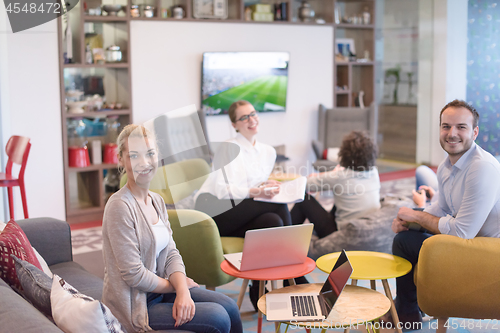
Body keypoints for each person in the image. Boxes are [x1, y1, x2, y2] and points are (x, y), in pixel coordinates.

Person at [102, 124, 242, 333]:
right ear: (121, 160)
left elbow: (170, 253)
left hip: (161, 291)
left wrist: (182, 289)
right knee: (218, 317)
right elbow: (134, 274)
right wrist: (178, 287)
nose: (144, 162)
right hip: (137, 305)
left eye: (150, 154)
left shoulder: (156, 201)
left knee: (230, 307)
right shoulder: (119, 206)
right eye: (134, 155)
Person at [386, 99, 500, 326]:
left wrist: (418, 216)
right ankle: (407, 311)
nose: (452, 133)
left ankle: (407, 312)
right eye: (446, 126)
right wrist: (409, 219)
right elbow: (442, 208)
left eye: (461, 127)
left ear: (475, 132)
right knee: (404, 238)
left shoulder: (481, 168)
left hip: (489, 253)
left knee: (408, 241)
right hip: (470, 241)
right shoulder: (446, 166)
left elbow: (462, 232)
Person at [194, 100, 300, 310]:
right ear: (235, 125)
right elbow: (224, 190)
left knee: (272, 220)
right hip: (213, 209)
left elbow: (250, 184)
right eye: (244, 117)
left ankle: (257, 288)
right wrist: (256, 191)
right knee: (278, 208)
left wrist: (264, 185)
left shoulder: (267, 152)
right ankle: (294, 280)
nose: (251, 120)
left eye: (253, 114)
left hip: (238, 208)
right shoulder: (229, 147)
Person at [291, 131, 381, 238]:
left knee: (305, 200)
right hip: (369, 228)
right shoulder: (374, 172)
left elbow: (304, 184)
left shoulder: (339, 177)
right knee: (340, 201)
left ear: (344, 154)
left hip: (343, 234)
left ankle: (284, 236)